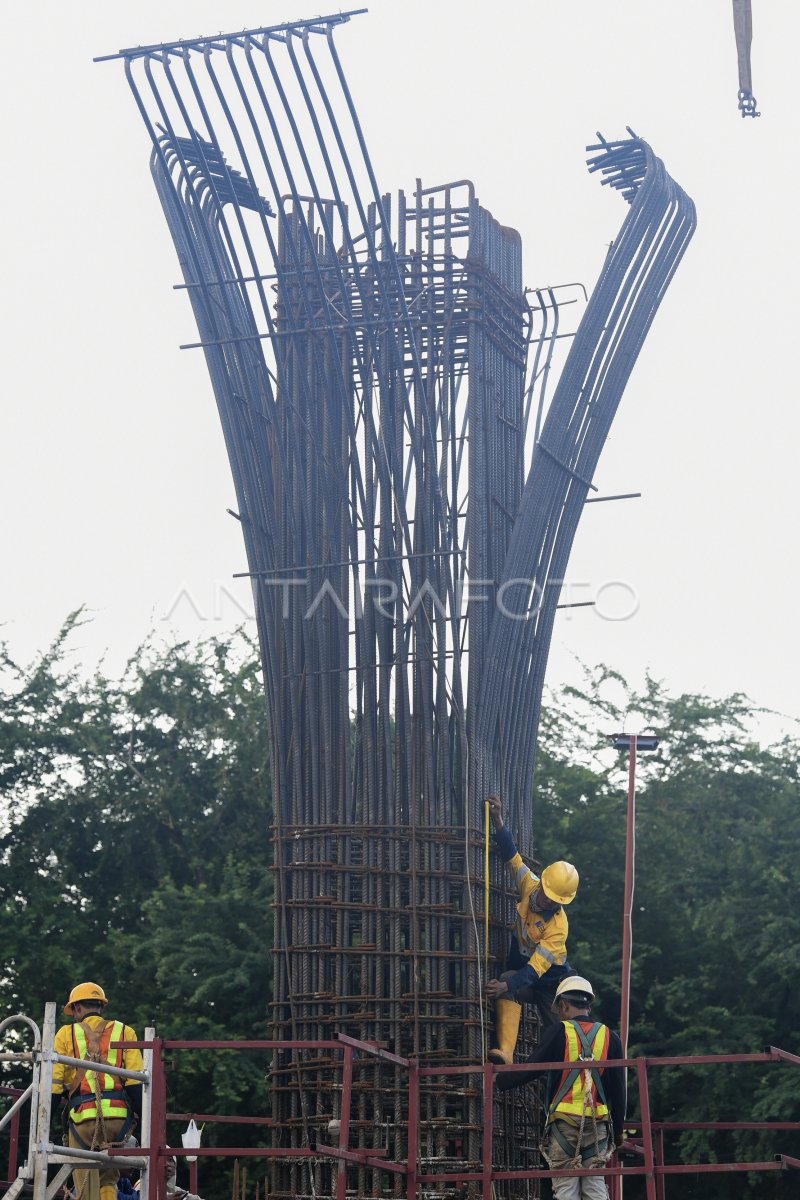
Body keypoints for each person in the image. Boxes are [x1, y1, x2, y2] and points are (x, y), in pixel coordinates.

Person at [496, 975, 626, 1200]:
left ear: (564, 1004)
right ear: (588, 1004)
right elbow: (619, 1090)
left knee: (566, 1187)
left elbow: (531, 1068)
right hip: (598, 1125)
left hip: (565, 1124)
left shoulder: (559, 1032)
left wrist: (499, 1079)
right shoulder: (610, 1037)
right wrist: (618, 1131)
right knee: (595, 1185)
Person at [485, 793, 579, 1063]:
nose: (547, 901)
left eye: (555, 900)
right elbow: (511, 856)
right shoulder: (530, 883)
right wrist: (498, 820)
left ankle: (566, 1068)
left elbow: (536, 969)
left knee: (558, 1033)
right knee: (506, 979)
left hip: (553, 985)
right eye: (547, 894)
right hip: (528, 977)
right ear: (543, 884)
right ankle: (505, 1053)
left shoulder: (558, 928)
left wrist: (507, 986)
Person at [51, 982, 144, 1200]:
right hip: (117, 1121)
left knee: (84, 1183)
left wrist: (43, 1126)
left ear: (78, 1008)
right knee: (108, 1179)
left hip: (83, 1118)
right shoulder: (124, 1031)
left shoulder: (66, 1033)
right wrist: (145, 1127)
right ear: (100, 1007)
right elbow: (135, 1082)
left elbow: (55, 1083)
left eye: (73, 1011)